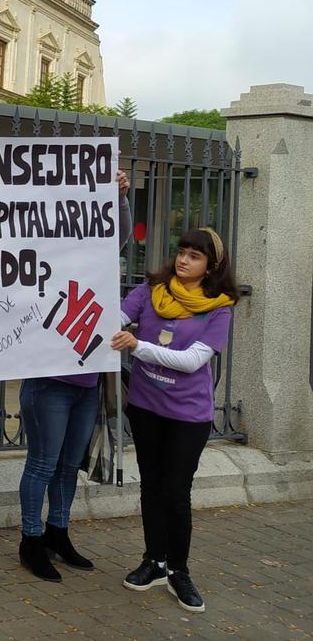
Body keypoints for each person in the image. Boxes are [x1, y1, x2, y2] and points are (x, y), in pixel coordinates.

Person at [111, 226, 238, 614]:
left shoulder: (219, 307)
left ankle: (179, 571)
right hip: (147, 408)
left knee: (176, 491)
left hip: (187, 415)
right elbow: (113, 316)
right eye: (181, 251)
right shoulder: (151, 290)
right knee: (151, 485)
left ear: (211, 265)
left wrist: (137, 345)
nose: (183, 260)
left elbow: (192, 361)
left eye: (194, 255)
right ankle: (154, 561)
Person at [18, 170, 132, 582]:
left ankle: (58, 533)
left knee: (68, 466)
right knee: (43, 464)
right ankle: (31, 540)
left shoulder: (98, 258)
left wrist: (118, 196)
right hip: (49, 383)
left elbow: (116, 235)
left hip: (88, 384)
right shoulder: (40, 255)